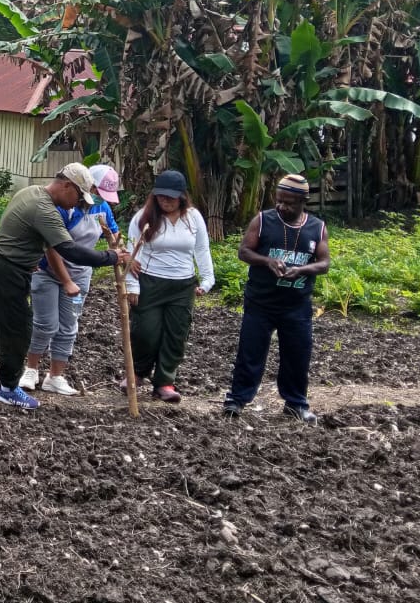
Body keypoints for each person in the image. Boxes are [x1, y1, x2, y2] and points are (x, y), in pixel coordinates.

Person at [0, 163, 128, 409]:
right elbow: (70, 251)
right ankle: (8, 388)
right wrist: (112, 257)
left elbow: (16, 231)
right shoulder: (46, 210)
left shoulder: (30, 192)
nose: (77, 203)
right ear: (66, 186)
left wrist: (28, 255)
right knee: (19, 330)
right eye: (78, 195)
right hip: (8, 270)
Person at [223, 174, 329, 424]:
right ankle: (237, 400)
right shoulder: (262, 220)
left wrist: (301, 270)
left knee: (297, 354)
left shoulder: (317, 227)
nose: (282, 206)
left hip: (297, 305)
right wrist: (267, 261)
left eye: (290, 202)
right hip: (261, 302)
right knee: (250, 352)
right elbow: (244, 251)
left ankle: (296, 404)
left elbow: (324, 263)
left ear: (304, 201)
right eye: (279, 201)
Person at [20, 164, 122, 395]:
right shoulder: (64, 208)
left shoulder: (102, 208)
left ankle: (55, 376)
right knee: (45, 324)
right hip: (48, 273)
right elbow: (54, 248)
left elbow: (114, 235)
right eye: (95, 192)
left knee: (68, 327)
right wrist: (66, 280)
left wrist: (119, 250)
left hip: (81, 275)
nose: (97, 198)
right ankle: (30, 369)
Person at [124, 169, 214, 403]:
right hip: (150, 282)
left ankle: (164, 381)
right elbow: (132, 253)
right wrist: (132, 285)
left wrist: (207, 280)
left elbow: (201, 249)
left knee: (176, 335)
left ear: (182, 196)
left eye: (171, 197)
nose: (165, 201)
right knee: (145, 332)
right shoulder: (143, 218)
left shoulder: (193, 218)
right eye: (161, 196)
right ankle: (138, 372)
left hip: (182, 285)